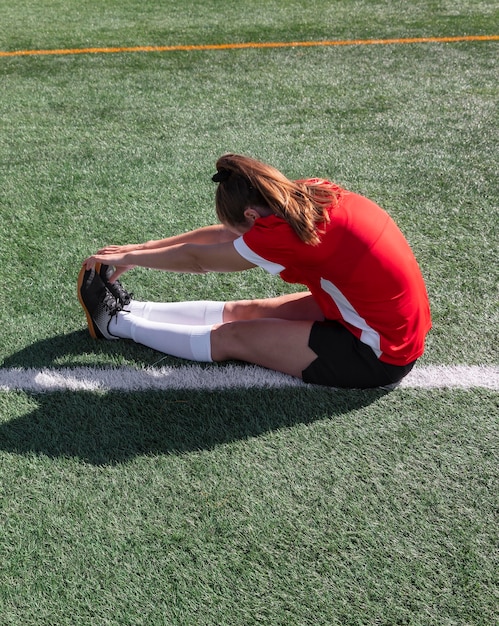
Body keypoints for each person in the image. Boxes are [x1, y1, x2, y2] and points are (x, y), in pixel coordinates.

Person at [78, 153, 431, 389]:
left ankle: (115, 325)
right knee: (245, 310)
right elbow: (220, 236)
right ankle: (134, 310)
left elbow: (199, 260)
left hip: (378, 353)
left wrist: (135, 256)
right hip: (374, 317)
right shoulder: (304, 195)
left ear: (250, 215)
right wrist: (139, 251)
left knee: (235, 337)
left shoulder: (282, 235)